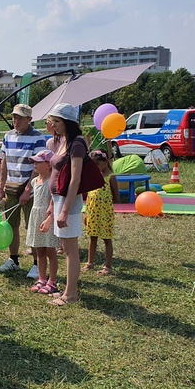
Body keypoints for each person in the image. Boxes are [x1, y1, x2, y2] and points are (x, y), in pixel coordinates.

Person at [0, 104, 47, 277]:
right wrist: (1, 184)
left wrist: (28, 189)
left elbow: (37, 166)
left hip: (30, 188)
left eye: (20, 118)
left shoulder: (38, 138)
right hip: (11, 185)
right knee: (11, 225)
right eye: (14, 117)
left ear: (29, 120)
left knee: (32, 226)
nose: (16, 121)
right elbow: (4, 161)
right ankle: (13, 259)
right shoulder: (8, 136)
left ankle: (36, 263)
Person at [46, 103, 86, 307]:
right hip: (59, 199)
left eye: (57, 121)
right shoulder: (62, 141)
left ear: (68, 122)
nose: (53, 124)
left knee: (70, 249)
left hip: (68, 201)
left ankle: (71, 294)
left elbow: (75, 180)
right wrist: (54, 207)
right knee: (65, 247)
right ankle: (68, 289)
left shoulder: (77, 144)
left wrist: (65, 210)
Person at [25, 149, 61, 294]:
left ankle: (52, 281)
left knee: (50, 251)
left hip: (47, 219)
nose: (34, 164)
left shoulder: (52, 182)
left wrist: (49, 219)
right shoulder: (34, 181)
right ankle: (41, 278)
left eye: (38, 162)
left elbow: (54, 202)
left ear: (48, 165)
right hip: (36, 217)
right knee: (39, 251)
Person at [83, 149, 120, 277]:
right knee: (92, 238)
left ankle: (108, 266)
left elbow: (116, 196)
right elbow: (88, 196)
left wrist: (106, 204)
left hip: (105, 214)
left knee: (106, 239)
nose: (95, 168)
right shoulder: (93, 176)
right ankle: (90, 262)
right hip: (93, 212)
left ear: (105, 162)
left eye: (97, 164)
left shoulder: (110, 177)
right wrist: (87, 213)